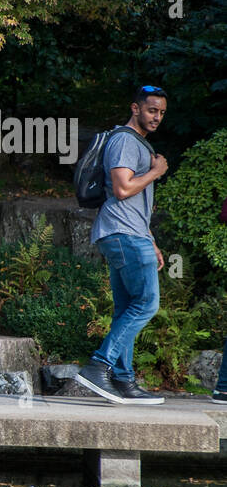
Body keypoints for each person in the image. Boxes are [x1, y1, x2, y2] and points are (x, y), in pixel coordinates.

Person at [75, 86, 169, 404]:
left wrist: (151, 240)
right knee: (147, 303)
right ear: (135, 108)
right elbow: (123, 189)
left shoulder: (137, 143)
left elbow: (135, 203)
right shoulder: (125, 141)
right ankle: (98, 366)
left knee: (126, 309)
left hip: (130, 233)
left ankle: (124, 380)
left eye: (161, 112)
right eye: (151, 110)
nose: (156, 116)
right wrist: (156, 171)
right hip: (123, 233)